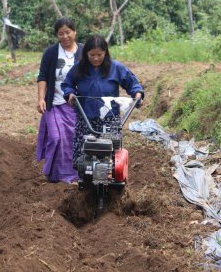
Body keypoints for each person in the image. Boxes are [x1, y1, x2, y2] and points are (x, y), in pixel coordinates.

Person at [61, 34, 144, 168]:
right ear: (86, 54)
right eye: (92, 55)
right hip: (85, 118)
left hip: (110, 119)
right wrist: (70, 94)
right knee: (84, 153)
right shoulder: (79, 68)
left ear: (105, 52)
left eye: (99, 54)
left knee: (111, 153)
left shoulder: (116, 67)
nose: (96, 58)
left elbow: (132, 83)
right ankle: (85, 177)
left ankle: (111, 178)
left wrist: (137, 93)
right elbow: (67, 84)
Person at [36, 17, 83, 183]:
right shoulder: (51, 52)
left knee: (74, 139)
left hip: (77, 106)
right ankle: (54, 173)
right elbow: (42, 76)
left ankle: (74, 174)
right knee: (56, 138)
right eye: (60, 33)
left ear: (75, 32)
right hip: (54, 103)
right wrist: (41, 98)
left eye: (67, 32)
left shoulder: (84, 51)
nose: (64, 36)